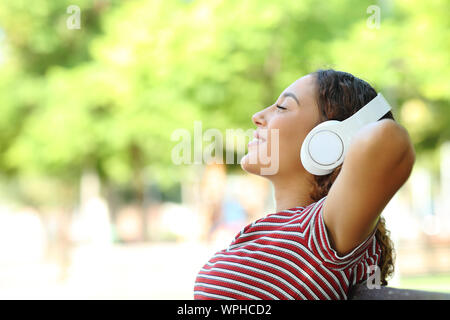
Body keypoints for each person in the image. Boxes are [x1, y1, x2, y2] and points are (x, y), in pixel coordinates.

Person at [193, 69, 416, 300]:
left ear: (327, 140)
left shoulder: (321, 235)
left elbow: (390, 139)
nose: (257, 116)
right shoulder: (268, 230)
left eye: (282, 107)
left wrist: (346, 135)